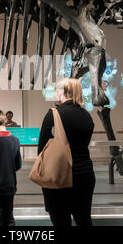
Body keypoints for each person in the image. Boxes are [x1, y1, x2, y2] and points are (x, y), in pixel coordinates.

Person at [38, 78, 95, 226]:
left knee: (60, 222)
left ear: (62, 91)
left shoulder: (53, 114)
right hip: (84, 176)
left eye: (57, 90)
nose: (55, 93)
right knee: (84, 220)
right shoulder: (86, 116)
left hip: (59, 177)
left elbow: (42, 149)